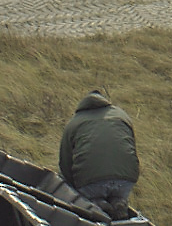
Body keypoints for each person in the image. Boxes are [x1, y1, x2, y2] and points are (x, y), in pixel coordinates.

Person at [57, 90, 138, 218]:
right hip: (125, 179)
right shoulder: (122, 115)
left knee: (92, 197)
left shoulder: (74, 122)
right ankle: (119, 201)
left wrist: (74, 186)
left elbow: (65, 162)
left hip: (92, 183)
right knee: (118, 192)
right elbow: (130, 149)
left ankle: (98, 204)